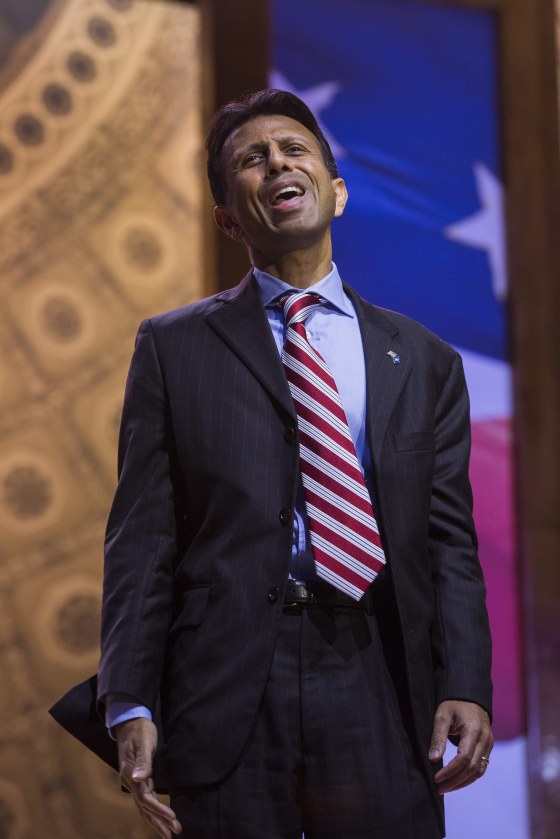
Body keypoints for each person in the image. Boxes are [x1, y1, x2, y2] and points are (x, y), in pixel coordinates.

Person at [98, 89, 493, 839]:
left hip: (380, 671)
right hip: (227, 681)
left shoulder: (425, 359)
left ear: (336, 192)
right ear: (227, 218)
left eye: (294, 150)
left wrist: (467, 680)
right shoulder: (173, 348)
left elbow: (449, 542)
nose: (277, 162)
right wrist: (130, 696)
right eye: (253, 159)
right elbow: (142, 539)